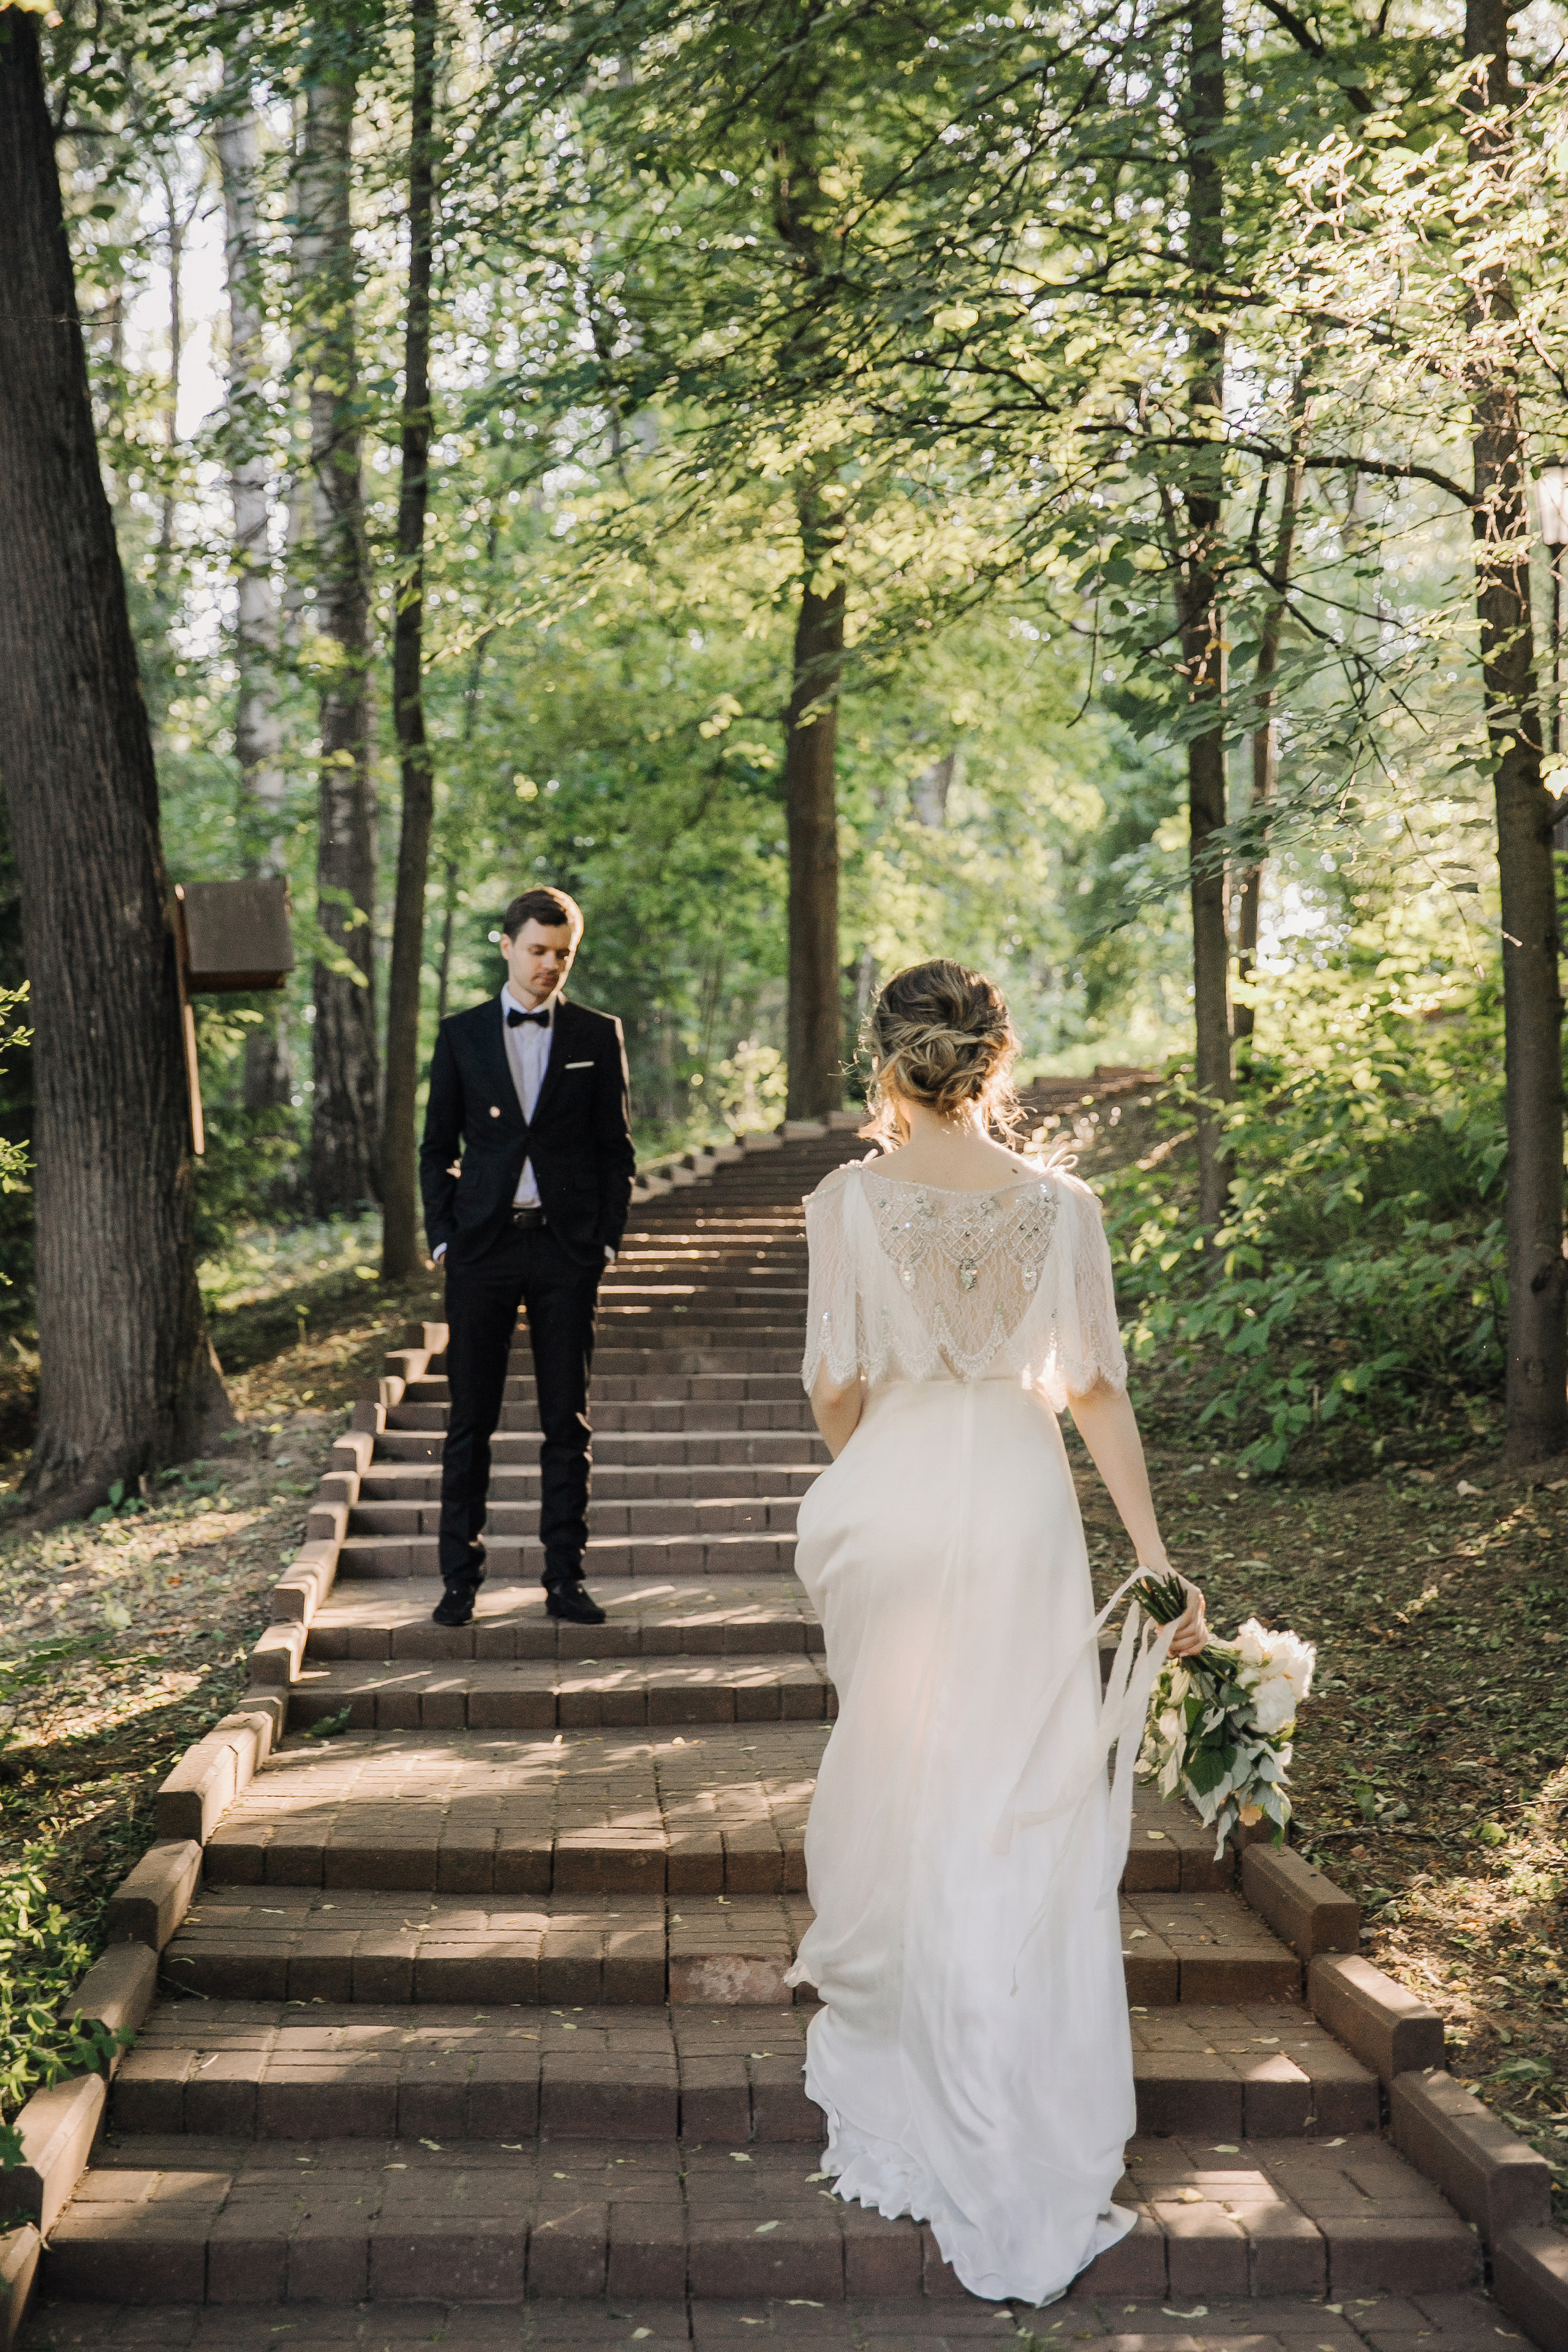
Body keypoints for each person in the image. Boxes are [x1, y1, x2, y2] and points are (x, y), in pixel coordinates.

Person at [788, 958, 1207, 2306]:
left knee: (910, 1778)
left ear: (885, 1056)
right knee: (1015, 1791)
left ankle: (925, 2047)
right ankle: (1011, 2069)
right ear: (993, 1055)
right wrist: (1151, 1563)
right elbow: (1092, 1394)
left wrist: (871, 1475)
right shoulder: (1062, 1210)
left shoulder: (844, 1203)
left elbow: (833, 1386)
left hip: (895, 1501)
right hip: (1024, 1510)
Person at [418, 886, 636, 1629]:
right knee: (468, 1421)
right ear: (506, 945)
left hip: (565, 1250)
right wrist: (442, 1235)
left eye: (562, 954)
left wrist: (603, 1240)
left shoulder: (598, 1035)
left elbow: (617, 1150)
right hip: (480, 1247)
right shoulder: (461, 1035)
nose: (550, 966)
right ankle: (459, 1583)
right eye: (538, 950)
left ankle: (564, 1581)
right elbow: (435, 1148)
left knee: (564, 1422)